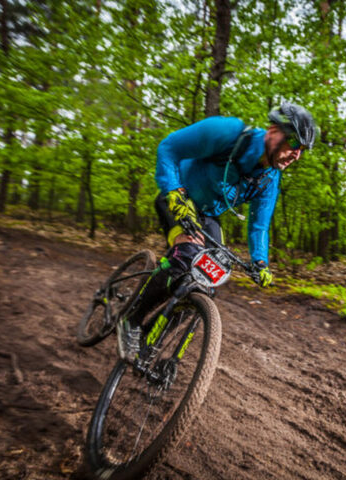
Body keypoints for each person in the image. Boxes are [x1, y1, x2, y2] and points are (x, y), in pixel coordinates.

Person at [117, 102, 317, 361]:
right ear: (273, 131)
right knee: (186, 255)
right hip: (178, 196)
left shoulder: (269, 178)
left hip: (208, 216)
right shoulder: (227, 133)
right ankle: (130, 320)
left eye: (302, 150)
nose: (297, 155)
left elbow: (259, 225)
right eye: (294, 143)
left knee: (209, 284)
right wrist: (174, 192)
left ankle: (150, 333)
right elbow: (169, 147)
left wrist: (260, 263)